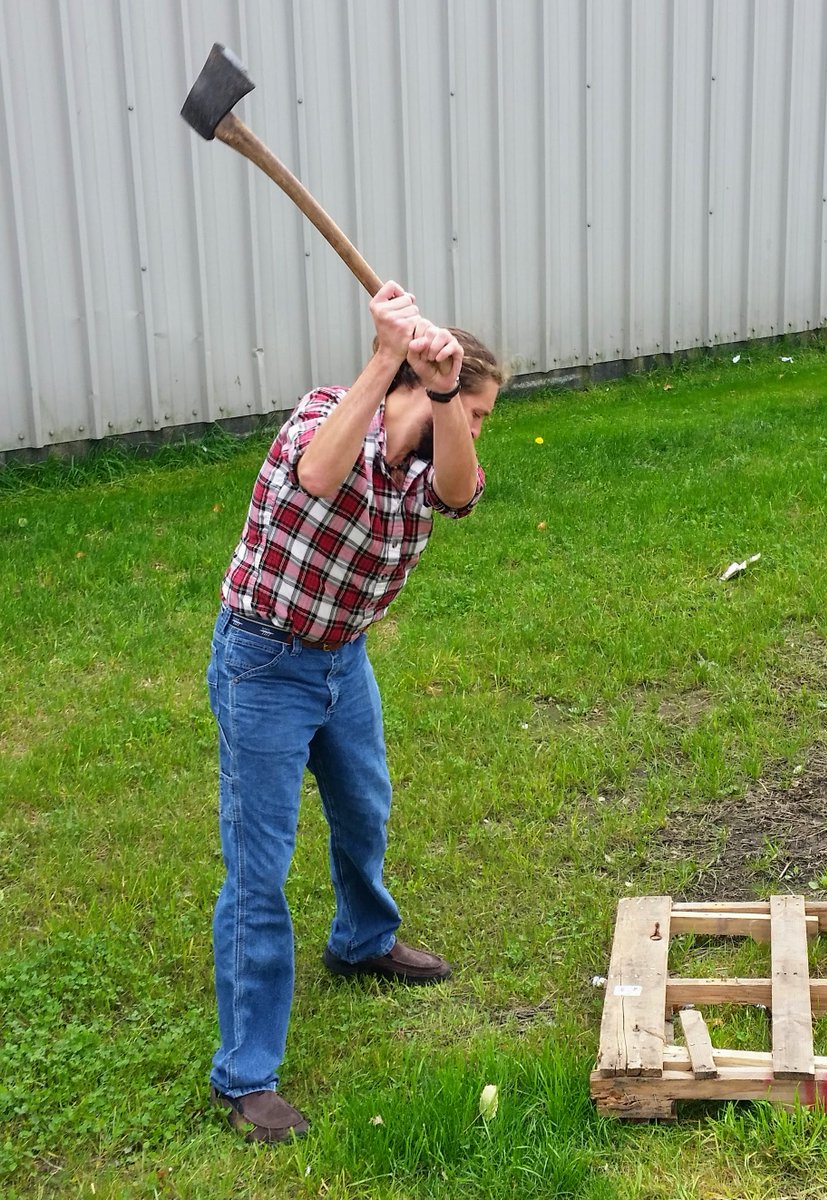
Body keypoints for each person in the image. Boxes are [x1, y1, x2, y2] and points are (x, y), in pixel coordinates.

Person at [205, 281, 502, 1143]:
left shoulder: (437, 460)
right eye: (477, 413)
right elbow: (316, 476)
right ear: (404, 381)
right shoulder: (328, 413)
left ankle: (363, 939)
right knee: (259, 870)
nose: (475, 430)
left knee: (364, 810)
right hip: (263, 659)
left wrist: (447, 395)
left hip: (342, 659)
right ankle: (244, 1077)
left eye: (477, 414)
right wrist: (387, 355)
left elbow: (460, 488)